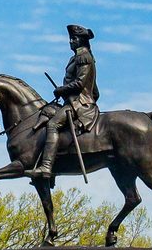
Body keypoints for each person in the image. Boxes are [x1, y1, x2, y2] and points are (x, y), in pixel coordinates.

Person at [26, 24, 99, 179]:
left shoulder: (83, 56)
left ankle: (46, 167)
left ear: (82, 40)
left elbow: (80, 83)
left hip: (79, 103)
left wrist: (62, 90)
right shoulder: (78, 57)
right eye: (70, 39)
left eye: (74, 38)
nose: (71, 41)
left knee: (53, 124)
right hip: (74, 101)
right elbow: (95, 90)